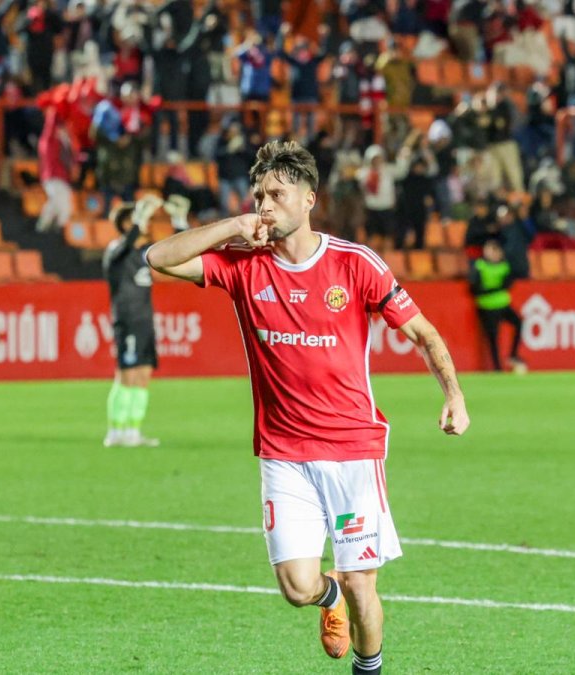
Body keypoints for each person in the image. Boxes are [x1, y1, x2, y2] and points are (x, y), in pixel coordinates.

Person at [145, 141, 470, 675]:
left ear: (309, 198)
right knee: (298, 587)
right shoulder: (243, 267)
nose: (265, 205)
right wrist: (232, 227)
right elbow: (157, 258)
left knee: (363, 584)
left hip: (351, 451)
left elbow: (422, 332)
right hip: (283, 454)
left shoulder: (355, 264)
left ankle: (370, 669)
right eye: (258, 196)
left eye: (276, 194)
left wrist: (454, 395)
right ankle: (327, 599)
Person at [103, 196, 163, 448]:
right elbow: (125, 244)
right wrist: (139, 220)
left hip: (144, 320)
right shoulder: (115, 251)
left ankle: (133, 431)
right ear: (127, 224)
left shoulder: (142, 254)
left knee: (143, 374)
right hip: (127, 319)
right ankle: (115, 430)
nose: (145, 224)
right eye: (139, 219)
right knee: (126, 375)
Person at [469, 238, 525, 373]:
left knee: (518, 322)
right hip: (487, 307)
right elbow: (475, 289)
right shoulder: (480, 266)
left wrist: (494, 289)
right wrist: (496, 289)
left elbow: (510, 282)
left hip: (502, 304)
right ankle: (497, 368)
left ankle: (513, 354)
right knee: (493, 338)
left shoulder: (504, 266)